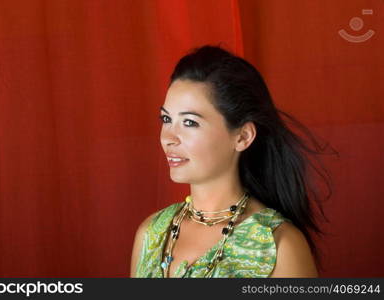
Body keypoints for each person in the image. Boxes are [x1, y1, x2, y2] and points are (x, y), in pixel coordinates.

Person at [130, 44, 334, 278]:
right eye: (166, 118)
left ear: (243, 137)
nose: (168, 138)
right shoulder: (151, 233)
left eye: (189, 123)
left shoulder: (279, 246)